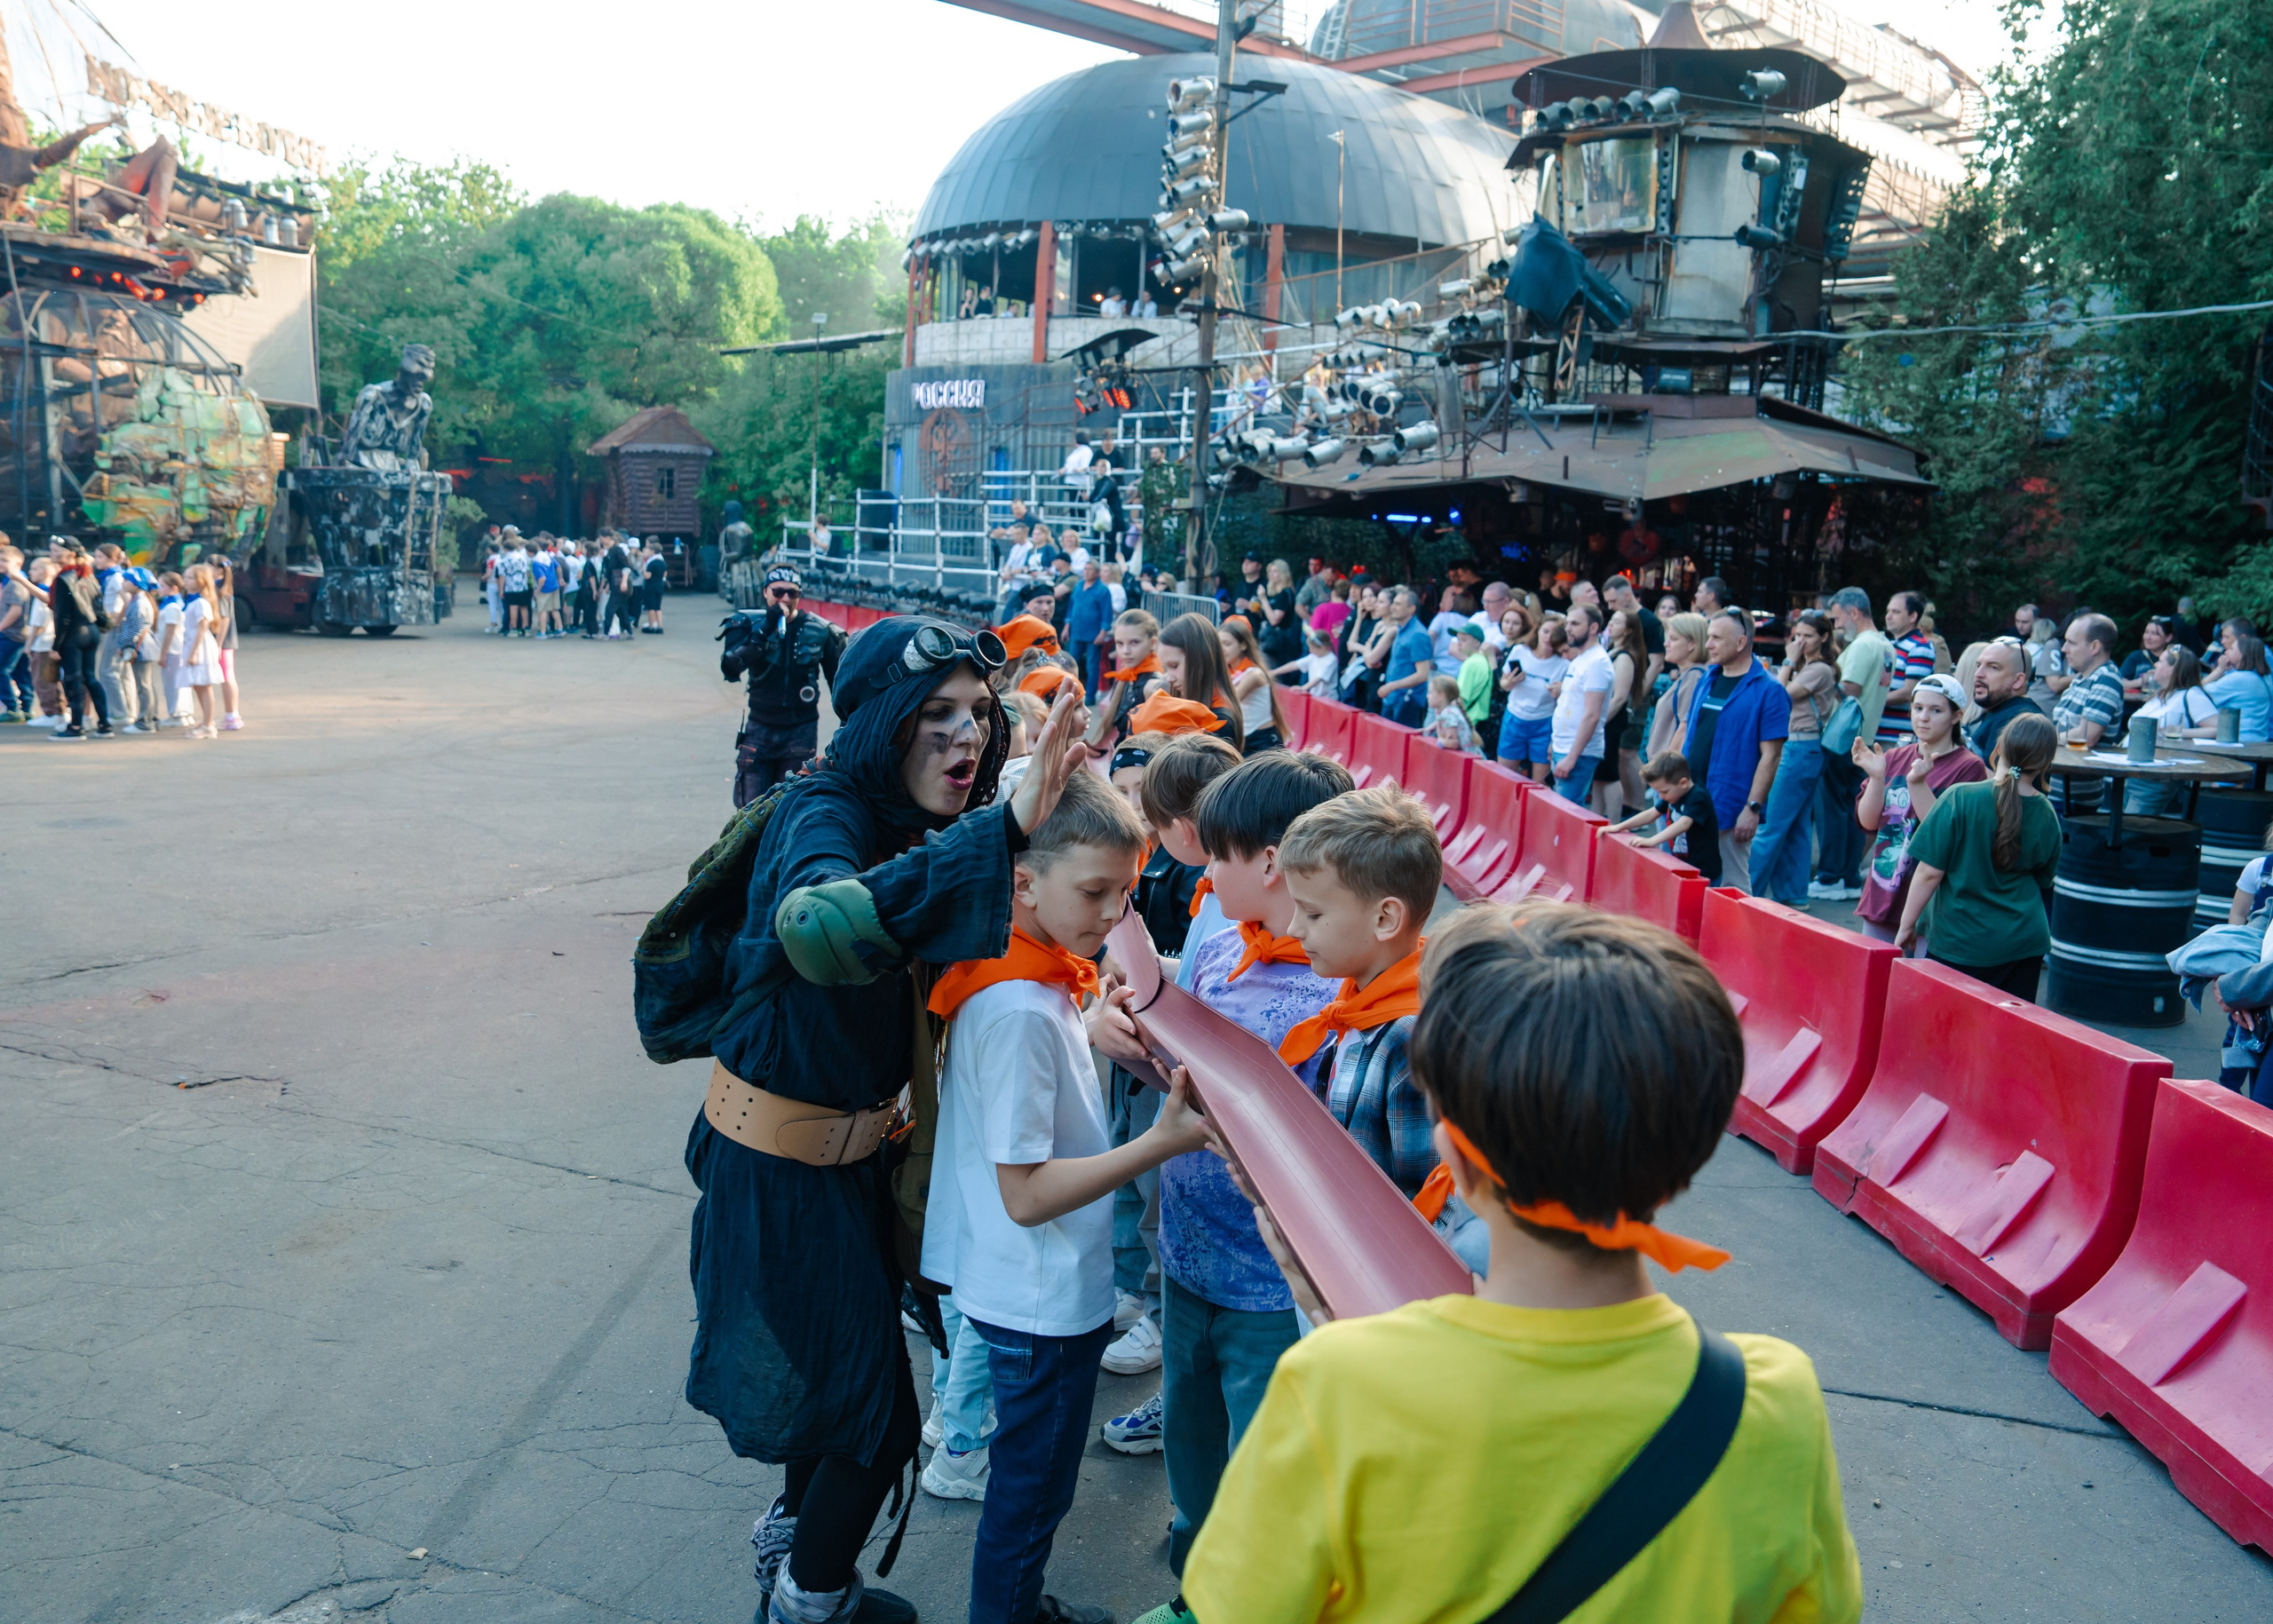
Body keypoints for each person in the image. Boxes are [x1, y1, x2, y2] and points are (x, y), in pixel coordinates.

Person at [1181, 902, 1864, 1624]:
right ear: (1685, 1162)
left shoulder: (1337, 1392)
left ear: (1455, 1163)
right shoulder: (1775, 1405)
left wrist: (1332, 1329)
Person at [675, 621, 1091, 1624]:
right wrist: (996, 829)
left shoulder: (911, 822)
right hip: (778, 1168)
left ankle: (796, 1559)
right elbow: (817, 926)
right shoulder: (820, 810)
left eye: (981, 718)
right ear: (877, 723)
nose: (965, 736)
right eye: (936, 713)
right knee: (877, 1421)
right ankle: (806, 1600)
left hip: (851, 1160)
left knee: (831, 1394)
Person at [922, 769, 1212, 1624]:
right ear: (1022, 881)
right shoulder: (1018, 1004)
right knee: (1029, 1497)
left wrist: (1084, 1023)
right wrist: (1156, 1143)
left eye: (1126, 894)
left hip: (1029, 1287)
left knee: (1031, 1487)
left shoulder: (1025, 973)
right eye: (1095, 892)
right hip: (1040, 1297)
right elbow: (1027, 1193)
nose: (1114, 916)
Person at [1089, 752, 1352, 1599]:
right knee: (1192, 1447)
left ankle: (1243, 1595)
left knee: (1261, 1465)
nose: (1200, 859)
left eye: (1219, 847)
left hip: (1274, 1284)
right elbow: (1184, 1078)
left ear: (1269, 861)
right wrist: (1126, 1029)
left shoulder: (1337, 991)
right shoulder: (1218, 944)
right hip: (1190, 1254)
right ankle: (1193, 1577)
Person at [1279, 786, 1444, 1202]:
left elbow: (1426, 1203)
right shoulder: (1359, 995)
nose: (1294, 929)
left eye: (1313, 913)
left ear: (1386, 918)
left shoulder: (1411, 1042)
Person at [1897, 712, 2061, 1002]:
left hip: (1959, 941)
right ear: (2046, 764)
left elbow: (1929, 873)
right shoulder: (2047, 813)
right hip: (2022, 945)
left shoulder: (1960, 798)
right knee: (2006, 1036)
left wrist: (1906, 925)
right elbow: (2044, 878)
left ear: (1999, 748)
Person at [1854, 674, 1984, 951]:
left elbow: (1946, 835)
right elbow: (1868, 822)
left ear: (1956, 716)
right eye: (1918, 708)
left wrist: (1918, 784)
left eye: (1936, 710)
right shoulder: (1894, 756)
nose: (1923, 717)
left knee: (1918, 986)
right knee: (1873, 981)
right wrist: (1877, 779)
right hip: (1884, 891)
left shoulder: (1969, 767)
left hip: (1931, 902)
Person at [1675, 609, 1787, 894]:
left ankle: (1737, 940)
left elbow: (1771, 756)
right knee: (1687, 881)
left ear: (1740, 643)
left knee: (1732, 888)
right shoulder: (1708, 678)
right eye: (1708, 636)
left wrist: (1752, 809)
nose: (1708, 644)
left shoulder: (1769, 690)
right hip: (1690, 799)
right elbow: (1691, 735)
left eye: (1716, 638)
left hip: (1729, 805)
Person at [721, 567, 847, 807]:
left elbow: (840, 683)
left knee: (790, 807)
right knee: (749, 809)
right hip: (759, 727)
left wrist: (845, 728)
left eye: (793, 593)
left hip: (800, 730)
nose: (786, 599)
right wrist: (765, 628)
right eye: (778, 592)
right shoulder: (750, 625)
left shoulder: (819, 630)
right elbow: (730, 668)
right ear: (766, 592)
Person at [1746, 611, 1837, 906]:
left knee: (1771, 825)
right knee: (1797, 826)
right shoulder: (1810, 667)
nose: (1800, 642)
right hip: (1803, 750)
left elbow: (1779, 693)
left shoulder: (1820, 669)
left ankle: (1747, 891)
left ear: (1824, 637)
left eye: (1808, 636)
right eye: (1797, 635)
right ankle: (1793, 894)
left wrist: (1787, 660)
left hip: (1799, 750)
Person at [1811, 587, 1892, 902]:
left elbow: (1849, 689)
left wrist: (1816, 681)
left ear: (1854, 612)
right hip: (1863, 737)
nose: (1836, 623)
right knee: (1850, 811)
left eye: (1838, 616)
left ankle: (1831, 876)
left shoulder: (1863, 646)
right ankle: (1845, 876)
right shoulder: (1886, 646)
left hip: (1840, 738)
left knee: (1833, 809)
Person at [1605, 749, 1722, 883]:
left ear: (1683, 783)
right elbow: (1651, 813)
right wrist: (1618, 826)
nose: (1661, 796)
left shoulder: (1697, 797)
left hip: (1704, 873)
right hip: (1684, 867)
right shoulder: (1675, 794)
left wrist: (1652, 840)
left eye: (1664, 791)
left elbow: (1684, 823)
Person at [2128, 646, 2220, 813]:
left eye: (2161, 661)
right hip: (2132, 773)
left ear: (2174, 668)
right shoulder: (2160, 696)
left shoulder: (2191, 694)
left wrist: (2177, 732)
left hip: (2155, 778)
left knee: (2132, 829)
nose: (2155, 664)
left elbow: (2217, 729)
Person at [44, 543, 112, 740]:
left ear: (71, 554)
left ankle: (75, 727)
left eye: (57, 550)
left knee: (73, 680)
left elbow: (63, 616)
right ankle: (104, 724)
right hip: (91, 631)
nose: (52, 553)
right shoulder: (88, 574)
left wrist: (57, 645)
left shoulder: (64, 578)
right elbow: (99, 605)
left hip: (74, 634)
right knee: (90, 677)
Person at [1548, 603, 1612, 802]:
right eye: (1568, 623)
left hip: (1578, 754)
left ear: (1593, 628)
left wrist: (1572, 757)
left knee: (1566, 816)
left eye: (1575, 623)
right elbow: (1569, 704)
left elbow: (1592, 715)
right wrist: (1554, 742)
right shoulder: (1581, 659)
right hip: (1564, 747)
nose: (1568, 628)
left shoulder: (1598, 663)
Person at [1157, 613, 1246, 750]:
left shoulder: (1221, 721)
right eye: (1165, 669)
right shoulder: (1192, 701)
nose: (1169, 678)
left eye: (1174, 666)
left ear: (1200, 660)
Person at [1497, 617, 1569, 780]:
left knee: (1540, 783)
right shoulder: (1520, 651)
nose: (1548, 637)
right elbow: (1503, 683)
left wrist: (1561, 692)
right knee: (1505, 776)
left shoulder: (1564, 664)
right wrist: (1508, 682)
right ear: (1537, 631)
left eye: (1554, 633)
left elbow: (1564, 701)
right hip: (1515, 716)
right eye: (1545, 631)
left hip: (1543, 722)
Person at [1599, 608, 1647, 819]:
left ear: (1628, 631)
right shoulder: (1612, 650)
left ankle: (1613, 820)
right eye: (1611, 620)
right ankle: (1598, 818)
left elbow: (1619, 697)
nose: (1611, 624)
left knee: (1609, 773)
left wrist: (1600, 722)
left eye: (1617, 622)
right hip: (1605, 717)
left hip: (1612, 718)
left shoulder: (1625, 657)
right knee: (1600, 775)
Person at [1646, 610, 1710, 760]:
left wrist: (1663, 770)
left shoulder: (1693, 676)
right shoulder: (1688, 675)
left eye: (1673, 639)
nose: (1666, 643)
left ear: (1692, 644)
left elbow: (1685, 727)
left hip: (1667, 770)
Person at [1218, 614, 1288, 751]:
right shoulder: (1228, 671)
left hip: (1263, 742)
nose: (1221, 649)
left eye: (1227, 644)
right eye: (1218, 644)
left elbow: (1228, 703)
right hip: (1245, 740)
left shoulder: (1254, 674)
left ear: (1243, 645)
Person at [1966, 639, 2041, 762]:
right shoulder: (2001, 710)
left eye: (1993, 667)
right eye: (1979, 665)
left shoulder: (2018, 721)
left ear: (2018, 680)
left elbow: (2001, 779)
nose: (1978, 674)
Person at [1374, 588, 1437, 727]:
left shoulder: (1417, 634)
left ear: (1411, 609)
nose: (1392, 607)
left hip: (1407, 701)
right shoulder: (1401, 629)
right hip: (1394, 698)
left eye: (1398, 604)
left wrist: (1392, 686)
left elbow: (1422, 674)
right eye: (1393, 603)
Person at [176, 563, 225, 740]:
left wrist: (194, 653)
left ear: (201, 581)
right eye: (185, 577)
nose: (185, 581)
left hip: (200, 646)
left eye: (189, 578)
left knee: (204, 686)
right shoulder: (193, 600)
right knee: (198, 685)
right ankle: (206, 721)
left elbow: (202, 628)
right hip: (192, 644)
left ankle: (209, 725)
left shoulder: (201, 603)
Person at [1880, 590, 1934, 744]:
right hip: (1879, 734)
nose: (1888, 616)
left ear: (1913, 616)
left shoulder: (1920, 646)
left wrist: (1871, 701)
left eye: (1895, 612)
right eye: (1888, 611)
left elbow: (1910, 692)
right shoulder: (1890, 645)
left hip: (1897, 739)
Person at [2205, 629, 2273, 743]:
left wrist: (2218, 671)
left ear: (2243, 654)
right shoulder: (2254, 677)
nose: (2226, 652)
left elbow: (2196, 693)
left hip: (2241, 741)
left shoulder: (2241, 679)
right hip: (2256, 740)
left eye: (2231, 649)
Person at [1065, 560, 1116, 699]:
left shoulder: (1103, 590)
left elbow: (1107, 614)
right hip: (1076, 631)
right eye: (1085, 569)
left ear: (1097, 572)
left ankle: (1090, 696)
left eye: (1090, 569)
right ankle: (1068, 691)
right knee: (1071, 662)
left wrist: (1103, 632)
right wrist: (1066, 626)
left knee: (1092, 666)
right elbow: (1071, 608)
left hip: (1093, 634)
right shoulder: (1079, 586)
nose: (1086, 571)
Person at [1257, 559, 1305, 680]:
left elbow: (1274, 620)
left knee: (1273, 675)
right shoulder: (1277, 594)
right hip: (1272, 641)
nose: (1272, 574)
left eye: (1275, 571)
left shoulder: (1285, 593)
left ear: (1283, 573)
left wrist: (1263, 599)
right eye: (1270, 571)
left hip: (1279, 643)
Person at [1422, 674, 1479, 754]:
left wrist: (1440, 742)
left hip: (1470, 760)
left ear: (1441, 696)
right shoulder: (1445, 711)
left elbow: (1453, 743)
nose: (1427, 696)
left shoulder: (1448, 714)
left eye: (1430, 692)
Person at [2122, 616, 2175, 687]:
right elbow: (2120, 682)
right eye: (2146, 632)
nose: (2148, 637)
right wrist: (2141, 681)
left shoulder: (2174, 658)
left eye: (2154, 634)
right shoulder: (2136, 657)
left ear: (2168, 637)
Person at [499, 532, 534, 637]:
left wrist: (501, 590)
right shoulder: (523, 557)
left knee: (513, 607)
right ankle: (526, 628)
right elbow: (527, 572)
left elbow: (502, 576)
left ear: (505, 549)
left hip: (511, 586)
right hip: (523, 585)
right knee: (524, 607)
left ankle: (513, 629)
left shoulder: (504, 560)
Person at [642, 541, 669, 633]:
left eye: (649, 550)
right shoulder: (663, 562)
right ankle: (660, 626)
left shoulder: (651, 563)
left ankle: (651, 626)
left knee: (651, 607)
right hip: (659, 586)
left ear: (653, 551)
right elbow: (665, 574)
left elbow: (647, 576)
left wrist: (643, 569)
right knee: (658, 607)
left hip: (651, 587)